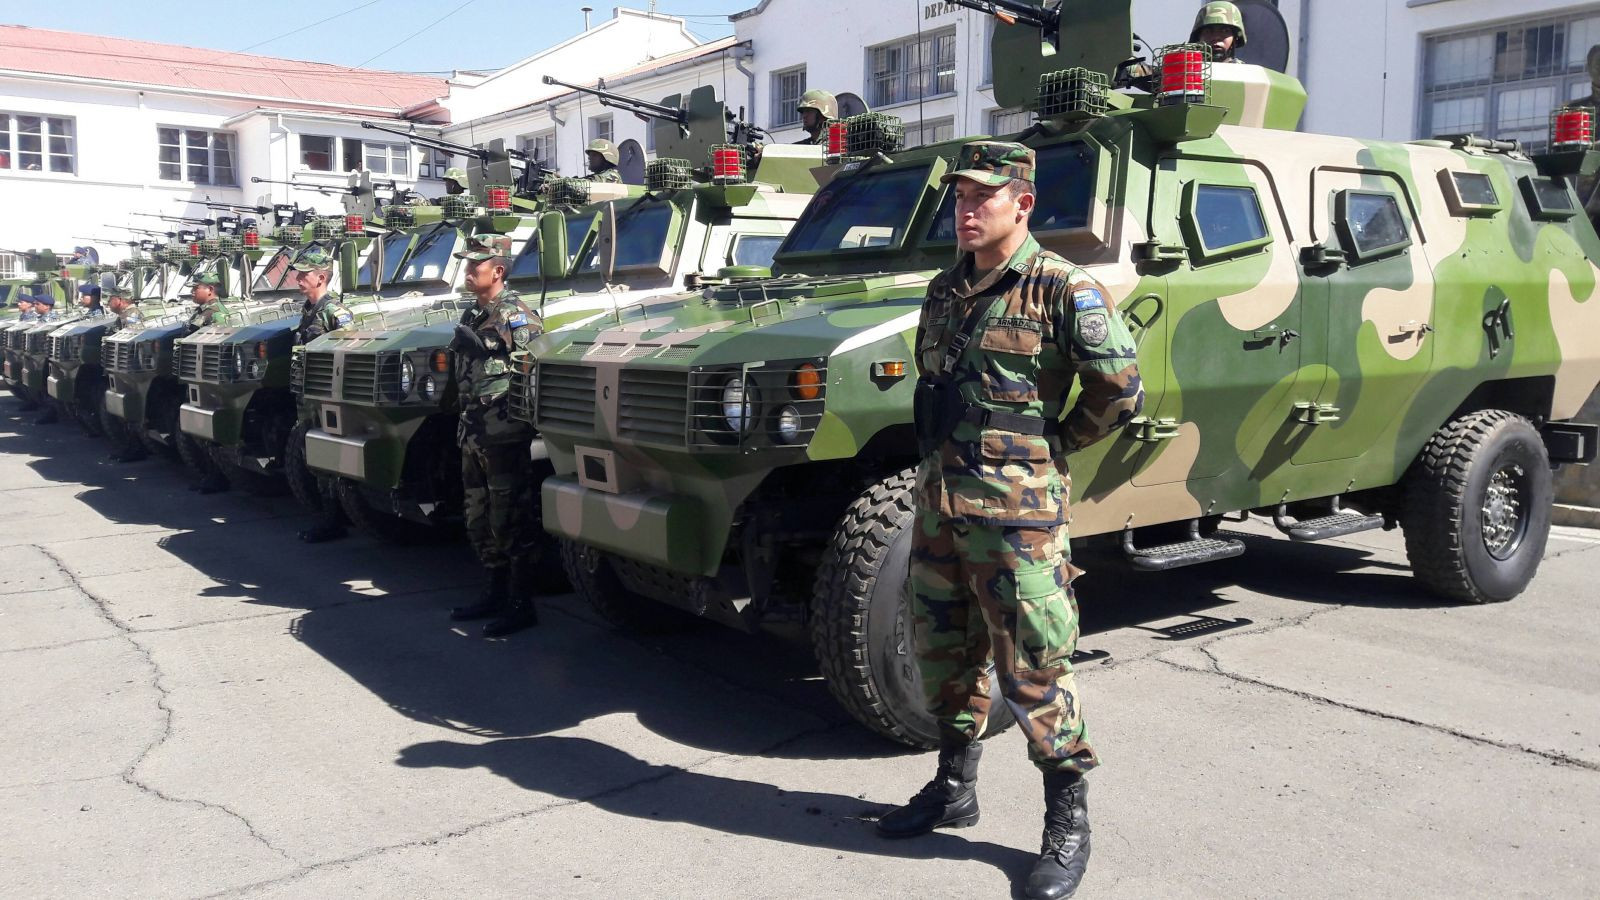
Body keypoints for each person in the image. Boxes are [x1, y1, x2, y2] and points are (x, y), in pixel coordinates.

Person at [877, 141, 1144, 900]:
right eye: (958, 198)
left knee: (1034, 669)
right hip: (942, 508)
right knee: (943, 655)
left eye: (980, 198)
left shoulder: (1064, 290)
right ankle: (953, 789)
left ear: (1021, 203)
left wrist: (1053, 446)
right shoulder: (943, 289)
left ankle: (1067, 819)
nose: (964, 211)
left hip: (1018, 520)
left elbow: (1120, 390)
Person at [446, 234, 543, 637]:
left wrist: (489, 345)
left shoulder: (516, 313)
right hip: (473, 428)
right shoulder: (472, 314)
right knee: (477, 515)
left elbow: (530, 362)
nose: (469, 273)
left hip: (503, 429)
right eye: (467, 266)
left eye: (476, 267)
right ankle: (494, 591)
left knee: (509, 517)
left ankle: (521, 603)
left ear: (497, 271)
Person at [288, 245, 356, 544]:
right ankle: (329, 515)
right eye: (298, 273)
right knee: (312, 455)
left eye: (305, 274)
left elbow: (349, 350)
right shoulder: (308, 310)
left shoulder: (335, 312)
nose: (299, 278)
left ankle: (334, 519)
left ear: (321, 277)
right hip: (308, 395)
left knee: (326, 455)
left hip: (327, 395)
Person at [184, 272, 231, 493]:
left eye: (197, 288)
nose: (193, 291)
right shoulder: (203, 311)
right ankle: (210, 474)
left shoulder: (217, 314)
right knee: (200, 429)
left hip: (210, 377)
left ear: (210, 289)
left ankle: (218, 477)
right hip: (198, 374)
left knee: (211, 432)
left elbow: (218, 347)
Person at [29, 291, 62, 424]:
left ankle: (52, 413)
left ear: (47, 306)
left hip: (48, 356)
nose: (34, 306)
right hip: (42, 356)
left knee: (47, 385)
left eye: (38, 304)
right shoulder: (43, 318)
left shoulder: (50, 320)